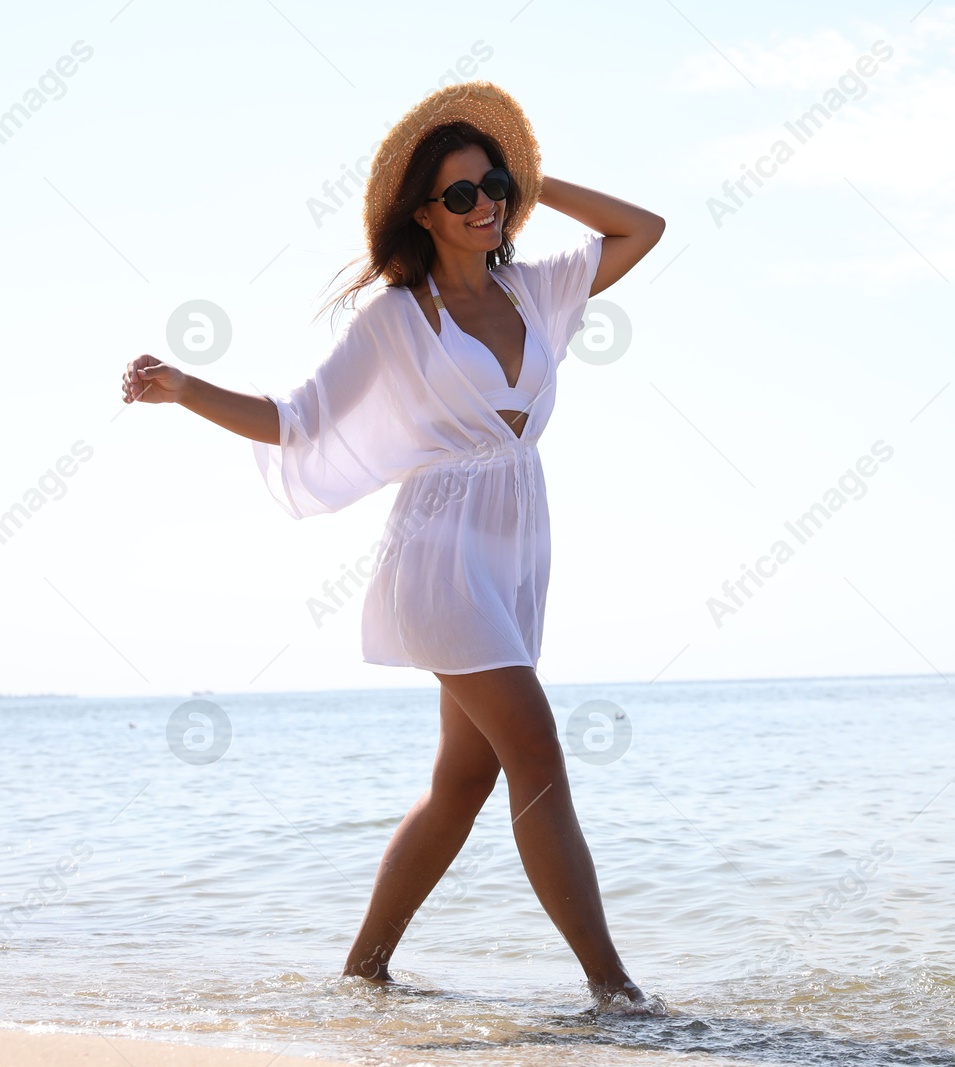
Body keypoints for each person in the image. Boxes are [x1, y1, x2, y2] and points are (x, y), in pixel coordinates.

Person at [119, 81, 665, 1013]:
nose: (486, 204)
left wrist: (531, 177)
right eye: (462, 193)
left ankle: (364, 971)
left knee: (464, 778)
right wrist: (186, 389)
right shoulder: (397, 318)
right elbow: (294, 420)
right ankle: (614, 989)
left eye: (494, 184)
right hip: (440, 555)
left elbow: (641, 229)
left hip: (516, 549)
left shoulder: (534, 289)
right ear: (423, 211)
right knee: (535, 751)